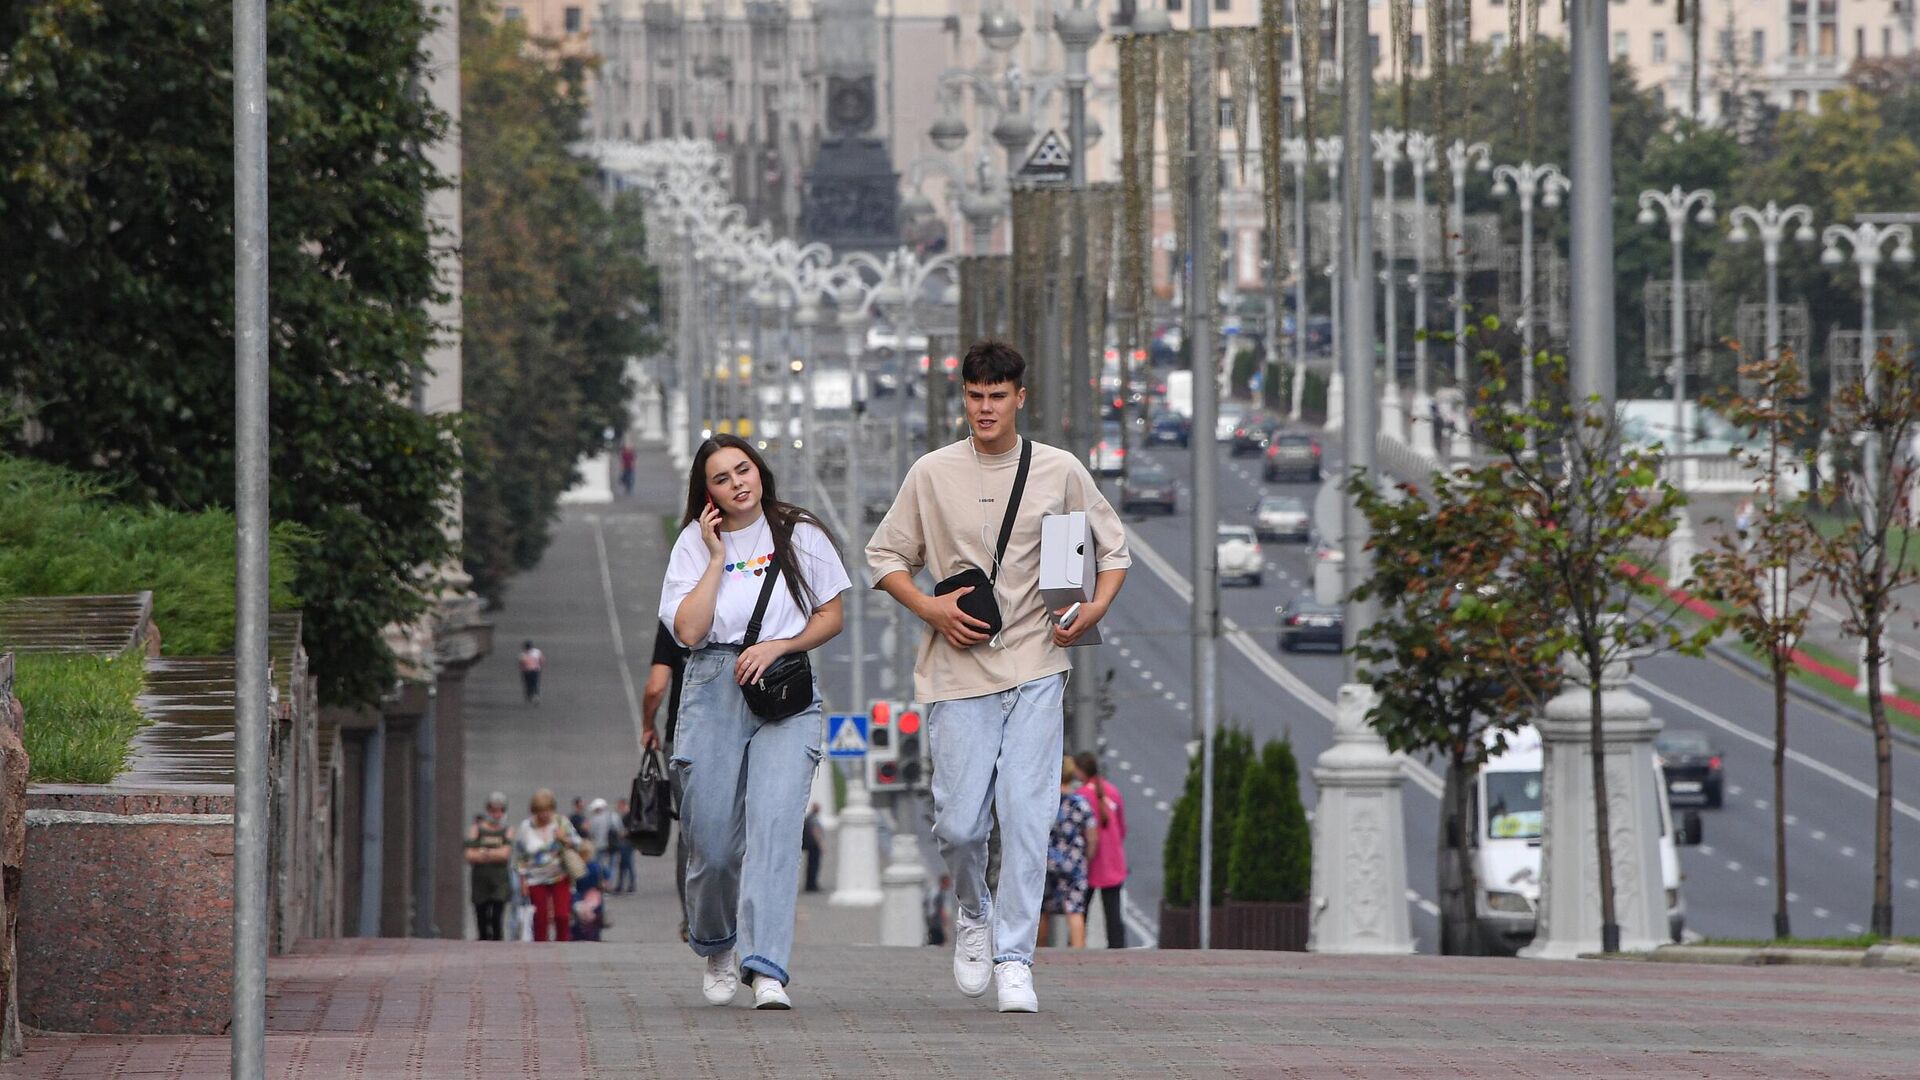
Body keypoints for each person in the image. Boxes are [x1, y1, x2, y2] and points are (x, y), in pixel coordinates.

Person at [867, 339, 1130, 1013]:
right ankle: (973, 911)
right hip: (958, 671)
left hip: (1038, 665)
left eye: (997, 396)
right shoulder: (931, 472)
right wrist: (929, 607)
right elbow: (885, 556)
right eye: (975, 396)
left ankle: (1016, 956)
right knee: (958, 825)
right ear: (964, 398)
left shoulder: (1059, 470)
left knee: (1027, 814)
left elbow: (1112, 548)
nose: (985, 408)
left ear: (1019, 397)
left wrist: (1092, 609)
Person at [659, 433, 850, 1010]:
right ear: (707, 491)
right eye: (722, 477)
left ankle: (766, 967)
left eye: (744, 469)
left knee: (774, 830)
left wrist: (780, 645)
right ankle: (717, 942)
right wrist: (717, 557)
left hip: (784, 689)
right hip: (713, 686)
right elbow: (688, 633)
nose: (738, 482)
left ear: (759, 471)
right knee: (712, 843)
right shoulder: (693, 544)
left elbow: (832, 616)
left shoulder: (799, 532)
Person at [643, 619, 691, 938]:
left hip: (683, 736)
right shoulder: (741, 607)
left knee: (690, 830)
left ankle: (693, 919)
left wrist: (648, 725)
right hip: (738, 733)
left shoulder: (675, 619)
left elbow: (656, 687)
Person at [1038, 757, 1098, 949]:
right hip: (1073, 862)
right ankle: (1078, 952)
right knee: (1075, 910)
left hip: (1047, 860)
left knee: (1042, 911)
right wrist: (1086, 857)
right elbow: (1092, 836)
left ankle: (1039, 950)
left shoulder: (1044, 801)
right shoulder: (1080, 803)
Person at [513, 788, 586, 942]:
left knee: (562, 915)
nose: (545, 815)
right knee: (541, 918)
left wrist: (564, 838)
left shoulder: (561, 822)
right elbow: (520, 857)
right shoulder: (526, 828)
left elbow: (579, 844)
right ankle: (541, 948)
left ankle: (563, 944)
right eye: (541, 811)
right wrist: (522, 880)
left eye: (548, 810)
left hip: (559, 875)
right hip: (535, 878)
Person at [1074, 751, 1129, 949]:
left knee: (1080, 911)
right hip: (1113, 860)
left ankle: (1076, 946)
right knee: (1113, 914)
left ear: (1081, 772)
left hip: (1089, 861)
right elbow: (1122, 828)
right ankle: (1118, 950)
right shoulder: (1112, 791)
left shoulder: (1080, 796)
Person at [465, 792, 513, 941]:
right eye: (493, 811)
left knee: (497, 917)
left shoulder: (507, 830)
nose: (497, 815)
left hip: (499, 880)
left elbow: (505, 854)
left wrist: (484, 852)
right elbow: (469, 854)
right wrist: (494, 854)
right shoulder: (477, 829)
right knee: (481, 916)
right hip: (481, 880)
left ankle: (497, 946)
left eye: (500, 811)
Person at [585, 796, 616, 879]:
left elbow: (590, 833)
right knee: (611, 864)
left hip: (598, 845)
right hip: (612, 844)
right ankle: (609, 881)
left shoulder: (593, 820)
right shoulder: (612, 816)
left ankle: (600, 881)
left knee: (598, 864)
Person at [612, 798, 638, 893]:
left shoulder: (629, 816)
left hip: (627, 843)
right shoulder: (628, 815)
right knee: (626, 864)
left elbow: (631, 828)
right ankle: (625, 884)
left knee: (626, 864)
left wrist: (623, 833)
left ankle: (627, 885)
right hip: (627, 842)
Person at [802, 803, 826, 893]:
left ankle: (810, 884)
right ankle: (811, 885)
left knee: (810, 866)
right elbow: (816, 831)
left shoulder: (809, 817)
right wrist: (821, 844)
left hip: (810, 845)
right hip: (814, 846)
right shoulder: (814, 819)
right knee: (813, 866)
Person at [519, 640, 544, 704]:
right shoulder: (537, 652)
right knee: (534, 683)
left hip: (526, 671)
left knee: (528, 684)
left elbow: (521, 663)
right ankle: (535, 696)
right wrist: (540, 666)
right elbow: (542, 660)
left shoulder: (522, 654)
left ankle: (529, 695)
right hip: (535, 670)